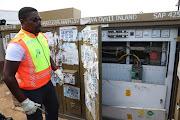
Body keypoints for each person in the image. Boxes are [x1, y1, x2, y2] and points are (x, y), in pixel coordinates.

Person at [3, 7, 63, 120]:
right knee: (35, 117)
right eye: (34, 20)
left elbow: (46, 54)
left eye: (39, 19)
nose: (39, 22)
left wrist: (55, 69)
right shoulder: (17, 45)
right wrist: (23, 101)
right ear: (22, 21)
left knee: (54, 108)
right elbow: (7, 76)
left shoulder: (40, 36)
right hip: (31, 91)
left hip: (47, 84)